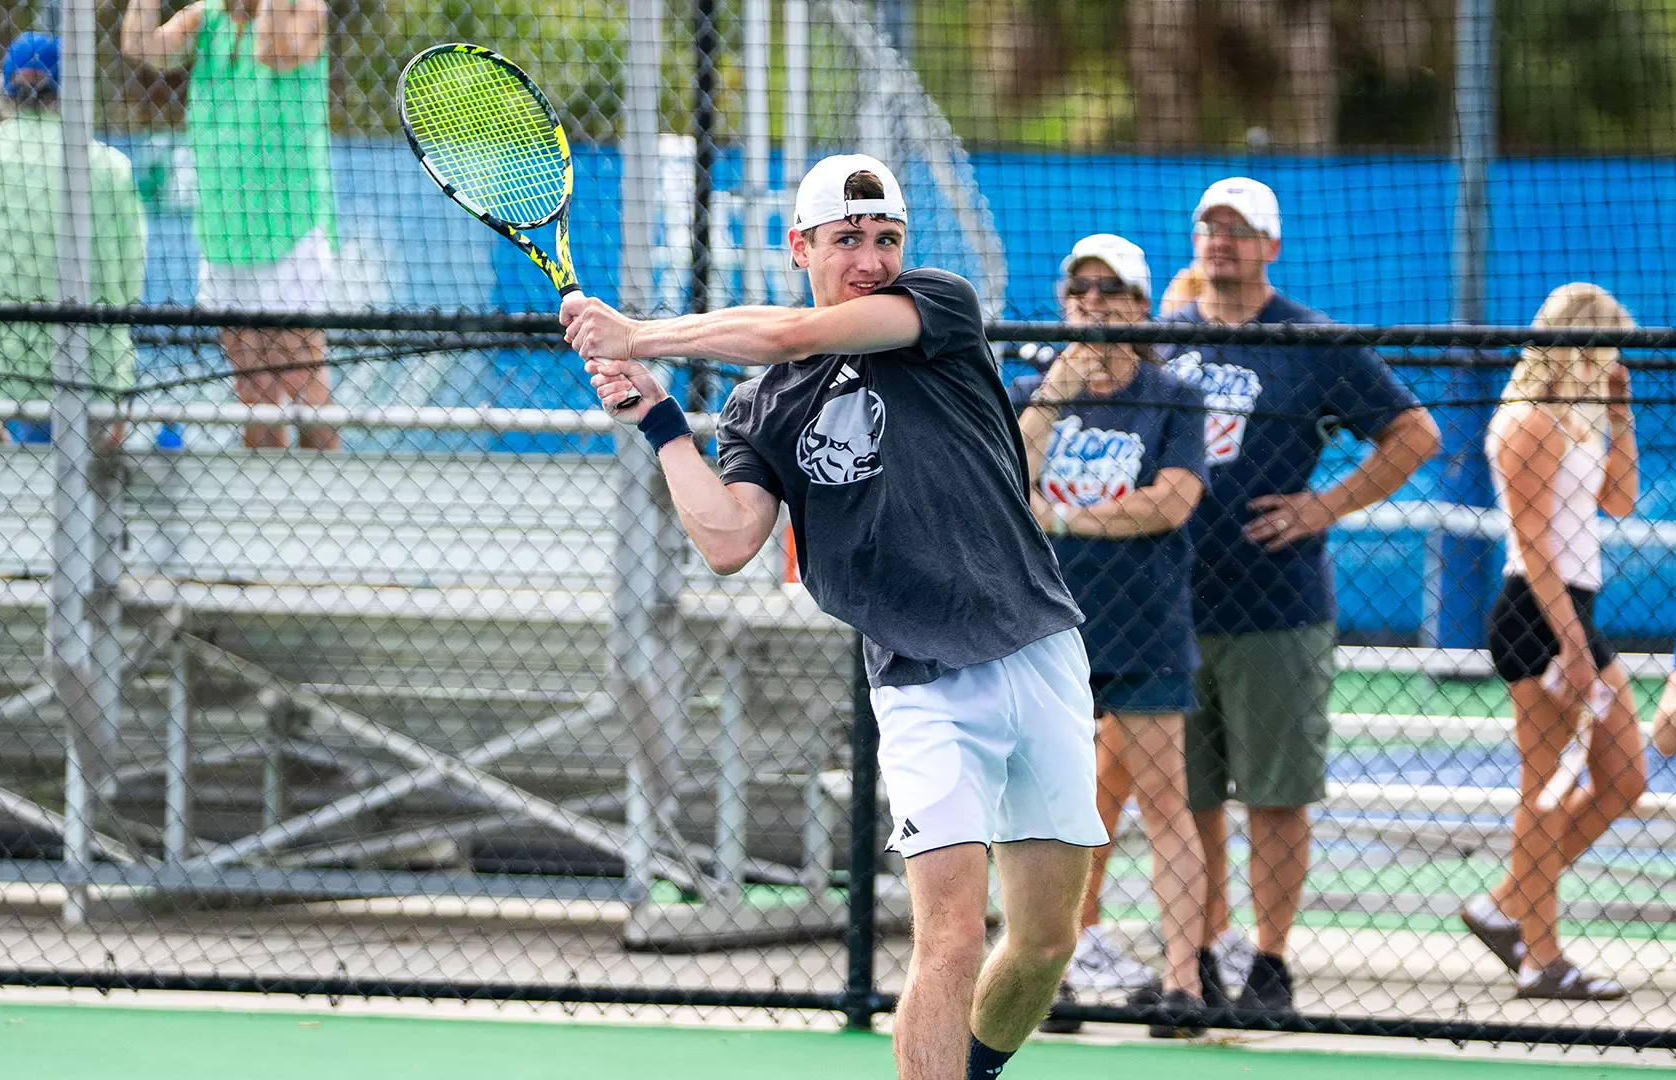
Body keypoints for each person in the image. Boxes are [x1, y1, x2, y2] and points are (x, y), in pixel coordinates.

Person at [565, 155, 1109, 1080]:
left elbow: (792, 331)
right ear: (800, 246)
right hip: (921, 685)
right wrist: (660, 422)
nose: (870, 258)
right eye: (847, 238)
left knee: (1045, 941)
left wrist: (639, 333)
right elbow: (729, 537)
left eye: (886, 237)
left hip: (1039, 648)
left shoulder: (935, 306)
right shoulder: (761, 408)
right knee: (949, 938)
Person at [1164, 177, 1440, 1015]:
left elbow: (1415, 433)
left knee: (1276, 798)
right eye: (1210, 227)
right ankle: (1197, 960)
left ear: (1271, 246)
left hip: (1277, 610)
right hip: (1169, 611)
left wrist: (1325, 505)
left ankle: (1270, 965)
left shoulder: (1313, 341)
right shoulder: (1159, 337)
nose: (1221, 241)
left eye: (1239, 230)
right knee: (1189, 801)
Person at [1011, 235, 1210, 1039]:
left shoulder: (1173, 397)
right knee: (1052, 806)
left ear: (1140, 306)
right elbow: (1004, 487)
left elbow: (1172, 501)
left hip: (1145, 627)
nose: (1093, 303)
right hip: (1047, 629)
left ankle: (1183, 983)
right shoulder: (1028, 392)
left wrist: (1062, 518)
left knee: (1165, 802)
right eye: (1080, 290)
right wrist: (1051, 400)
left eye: (1111, 290)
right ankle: (1049, 974)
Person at [1462, 282, 1647, 1000]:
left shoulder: (1578, 417)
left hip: (1574, 612)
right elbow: (1534, 545)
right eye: (1609, 347)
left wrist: (1620, 415)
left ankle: (1507, 903)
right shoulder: (1528, 421)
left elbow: (1619, 501)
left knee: (1623, 778)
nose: (1617, 361)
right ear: (1579, 345)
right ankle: (1541, 958)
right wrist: (1570, 645)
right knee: (1545, 789)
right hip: (1539, 617)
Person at [121, 0, 339, 450]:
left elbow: (276, 52)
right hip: (224, 232)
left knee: (303, 384)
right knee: (253, 392)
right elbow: (140, 46)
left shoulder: (304, 9)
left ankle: (330, 492)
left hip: (289, 230)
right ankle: (265, 495)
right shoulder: (208, 17)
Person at [0, 34, 146, 446]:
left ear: (4, 89)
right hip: (89, 366)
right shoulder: (110, 167)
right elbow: (130, 280)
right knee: (114, 375)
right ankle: (94, 474)